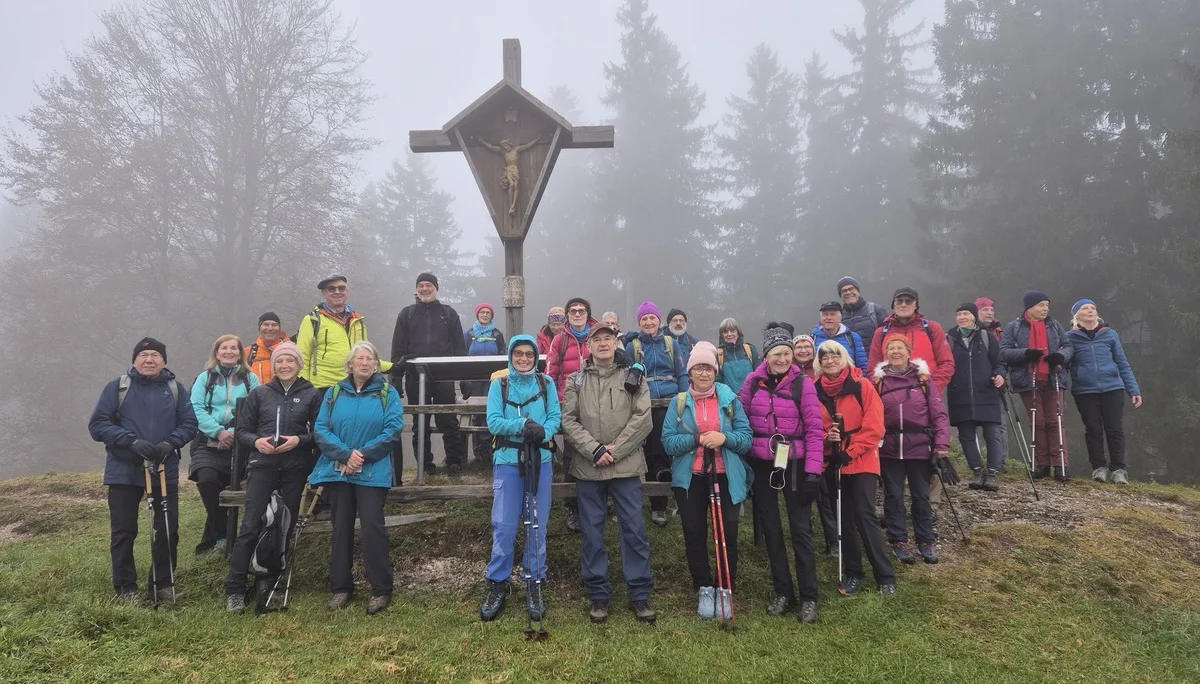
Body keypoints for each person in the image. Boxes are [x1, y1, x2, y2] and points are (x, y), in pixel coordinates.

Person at [88, 337, 198, 604]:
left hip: (162, 469)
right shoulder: (118, 387)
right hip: (123, 470)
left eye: (155, 355)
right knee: (124, 531)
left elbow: (189, 423)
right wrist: (131, 442)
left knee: (167, 530)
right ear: (135, 360)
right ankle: (125, 588)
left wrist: (170, 443)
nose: (149, 359)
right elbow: (98, 424)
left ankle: (162, 584)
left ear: (164, 360)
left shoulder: (175, 389)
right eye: (144, 355)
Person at [561, 323, 656, 624]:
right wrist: (595, 450)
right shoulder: (575, 380)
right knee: (591, 533)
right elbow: (568, 421)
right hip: (588, 468)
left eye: (608, 339)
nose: (603, 343)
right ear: (588, 346)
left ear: (616, 343)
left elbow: (643, 417)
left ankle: (639, 592)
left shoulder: (634, 377)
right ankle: (597, 593)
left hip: (625, 466)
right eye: (597, 339)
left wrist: (616, 450)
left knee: (634, 530)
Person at [224, 342, 322, 614]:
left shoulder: (312, 394)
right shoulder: (260, 393)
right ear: (273, 365)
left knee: (284, 525)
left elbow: (319, 433)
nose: (285, 365)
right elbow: (242, 431)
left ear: (299, 365)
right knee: (250, 523)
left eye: (290, 361)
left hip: (295, 467)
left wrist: (298, 440)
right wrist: (257, 442)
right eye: (280, 361)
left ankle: (269, 583)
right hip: (262, 464)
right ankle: (235, 588)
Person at [739, 326, 826, 623]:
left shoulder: (803, 384)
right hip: (762, 463)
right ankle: (783, 592)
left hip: (795, 462)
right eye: (777, 353)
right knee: (772, 529)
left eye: (787, 353)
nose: (783, 358)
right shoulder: (752, 382)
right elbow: (742, 421)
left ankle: (809, 596)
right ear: (766, 355)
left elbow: (814, 429)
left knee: (800, 530)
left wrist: (813, 472)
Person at [661, 341, 754, 622]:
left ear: (715, 371)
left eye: (709, 368)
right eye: (699, 368)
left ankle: (724, 586)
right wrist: (697, 439)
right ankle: (703, 586)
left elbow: (746, 438)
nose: (704, 373)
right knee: (694, 531)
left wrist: (724, 438)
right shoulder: (678, 403)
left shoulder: (729, 400)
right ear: (690, 372)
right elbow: (668, 442)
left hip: (725, 475)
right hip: (690, 477)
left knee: (728, 532)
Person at [311, 341, 404, 615]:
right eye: (359, 358)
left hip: (371, 470)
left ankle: (381, 589)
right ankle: (341, 587)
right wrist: (344, 455)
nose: (365, 363)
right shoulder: (334, 392)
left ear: (376, 365)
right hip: (339, 470)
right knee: (340, 527)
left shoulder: (387, 393)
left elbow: (393, 429)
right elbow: (320, 429)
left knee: (373, 527)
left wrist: (359, 456)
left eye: (370, 359)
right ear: (350, 364)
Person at [479, 336, 561, 622]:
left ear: (536, 357)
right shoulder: (499, 385)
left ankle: (534, 581)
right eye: (518, 353)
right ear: (510, 356)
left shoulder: (546, 383)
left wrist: (543, 432)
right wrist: (523, 424)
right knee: (503, 525)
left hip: (540, 460)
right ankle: (497, 582)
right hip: (507, 461)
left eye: (529, 354)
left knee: (537, 523)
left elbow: (555, 417)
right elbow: (493, 422)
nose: (524, 358)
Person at [813, 341, 894, 596]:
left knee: (864, 514)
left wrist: (849, 452)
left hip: (861, 459)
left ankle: (885, 575)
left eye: (835, 356)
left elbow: (875, 427)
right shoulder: (814, 389)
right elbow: (813, 426)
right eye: (824, 357)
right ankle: (853, 572)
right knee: (843, 518)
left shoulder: (862, 386)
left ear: (844, 358)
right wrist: (827, 439)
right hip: (833, 459)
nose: (830, 361)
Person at [873, 333, 951, 566]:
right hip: (889, 448)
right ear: (886, 354)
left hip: (919, 447)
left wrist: (941, 445)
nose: (895, 352)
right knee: (893, 495)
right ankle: (898, 540)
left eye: (900, 347)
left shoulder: (924, 379)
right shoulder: (877, 381)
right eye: (891, 348)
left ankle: (925, 540)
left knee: (921, 495)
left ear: (909, 352)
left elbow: (938, 413)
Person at [391, 272, 467, 476]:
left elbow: (460, 348)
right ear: (416, 289)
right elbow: (398, 349)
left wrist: (464, 378)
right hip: (415, 377)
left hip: (444, 376)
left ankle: (454, 463)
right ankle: (425, 465)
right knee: (420, 421)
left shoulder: (448, 314)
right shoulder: (407, 314)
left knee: (448, 420)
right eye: (421, 285)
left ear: (436, 288)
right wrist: (395, 378)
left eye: (429, 285)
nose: (424, 289)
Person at [189, 334, 259, 555]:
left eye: (234, 348)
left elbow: (255, 410)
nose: (229, 352)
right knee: (207, 480)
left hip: (240, 443)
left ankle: (216, 540)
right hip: (206, 441)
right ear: (216, 353)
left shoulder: (251, 379)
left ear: (240, 353)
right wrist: (218, 432)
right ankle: (222, 534)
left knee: (231, 486)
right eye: (224, 348)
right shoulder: (204, 378)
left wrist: (232, 434)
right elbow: (195, 407)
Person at [1066, 299, 1142, 484]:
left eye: (1093, 308)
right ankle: (1099, 468)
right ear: (1076, 315)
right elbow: (1064, 365)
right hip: (1085, 391)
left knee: (1114, 429)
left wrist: (1133, 389)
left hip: (1112, 387)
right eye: (1085, 308)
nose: (1090, 310)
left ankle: (1118, 470)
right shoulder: (1069, 337)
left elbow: (1122, 363)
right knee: (1093, 430)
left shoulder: (1109, 334)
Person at [1000, 290, 1073, 481]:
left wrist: (1060, 356)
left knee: (1055, 420)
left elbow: (1068, 346)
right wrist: (1026, 353)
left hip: (1053, 378)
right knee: (1037, 421)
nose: (1045, 309)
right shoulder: (1014, 327)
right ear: (1029, 307)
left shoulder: (1054, 325)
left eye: (1047, 305)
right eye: (1041, 305)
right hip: (1028, 379)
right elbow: (1004, 351)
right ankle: (1042, 464)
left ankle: (1060, 464)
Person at [626, 301, 687, 527]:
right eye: (644, 318)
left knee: (678, 451)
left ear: (659, 321)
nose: (649, 322)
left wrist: (684, 399)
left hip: (671, 403)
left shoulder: (671, 344)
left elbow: (682, 374)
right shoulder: (633, 346)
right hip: (646, 405)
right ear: (639, 323)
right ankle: (658, 505)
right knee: (653, 453)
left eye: (652, 317)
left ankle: (682, 497)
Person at [546, 297, 597, 532]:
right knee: (571, 454)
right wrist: (555, 401)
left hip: (596, 402)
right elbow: (551, 374)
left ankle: (596, 502)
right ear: (567, 315)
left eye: (581, 310)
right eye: (573, 311)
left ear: (588, 314)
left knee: (595, 449)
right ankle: (572, 507)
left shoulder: (598, 336)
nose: (577, 314)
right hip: (568, 403)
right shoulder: (560, 339)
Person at [947, 303, 1006, 492]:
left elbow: (998, 363)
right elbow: (944, 365)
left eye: (966, 313)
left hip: (986, 391)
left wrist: (999, 375)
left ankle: (993, 473)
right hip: (959, 393)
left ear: (974, 316)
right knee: (966, 435)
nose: (962, 317)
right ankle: (977, 471)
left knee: (992, 434)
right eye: (959, 314)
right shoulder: (949, 339)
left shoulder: (986, 337)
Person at [867, 288, 954, 391]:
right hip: (891, 395)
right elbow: (872, 369)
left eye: (908, 301)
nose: (903, 305)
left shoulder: (932, 328)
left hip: (927, 394)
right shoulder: (881, 333)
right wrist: (883, 390)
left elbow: (946, 363)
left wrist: (931, 389)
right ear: (893, 305)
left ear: (916, 305)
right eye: (899, 301)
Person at [465, 303, 506, 465]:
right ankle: (478, 453)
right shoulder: (468, 334)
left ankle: (491, 450)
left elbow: (502, 354)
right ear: (477, 314)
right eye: (482, 312)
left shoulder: (497, 334)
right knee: (476, 414)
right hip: (473, 379)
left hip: (493, 380)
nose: (484, 315)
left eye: (488, 312)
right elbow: (462, 355)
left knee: (491, 411)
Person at [812, 301, 869, 372]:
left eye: (833, 314)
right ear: (821, 318)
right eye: (825, 314)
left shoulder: (852, 337)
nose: (828, 318)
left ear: (840, 317)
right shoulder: (813, 338)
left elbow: (862, 366)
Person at [715, 318, 759, 394]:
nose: (729, 334)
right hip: (729, 398)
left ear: (738, 333)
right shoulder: (718, 354)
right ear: (722, 335)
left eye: (732, 331)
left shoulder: (750, 350)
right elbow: (718, 382)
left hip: (751, 396)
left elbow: (759, 374)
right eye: (725, 332)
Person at [245, 312, 290, 384]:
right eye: (266, 324)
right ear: (259, 328)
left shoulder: (291, 351)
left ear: (279, 328)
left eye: (274, 325)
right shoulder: (248, 352)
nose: (270, 328)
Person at [838, 276, 885, 343]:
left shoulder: (875, 310)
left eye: (851, 289)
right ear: (841, 295)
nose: (848, 292)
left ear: (858, 291)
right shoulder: (839, 317)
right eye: (844, 291)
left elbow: (887, 337)